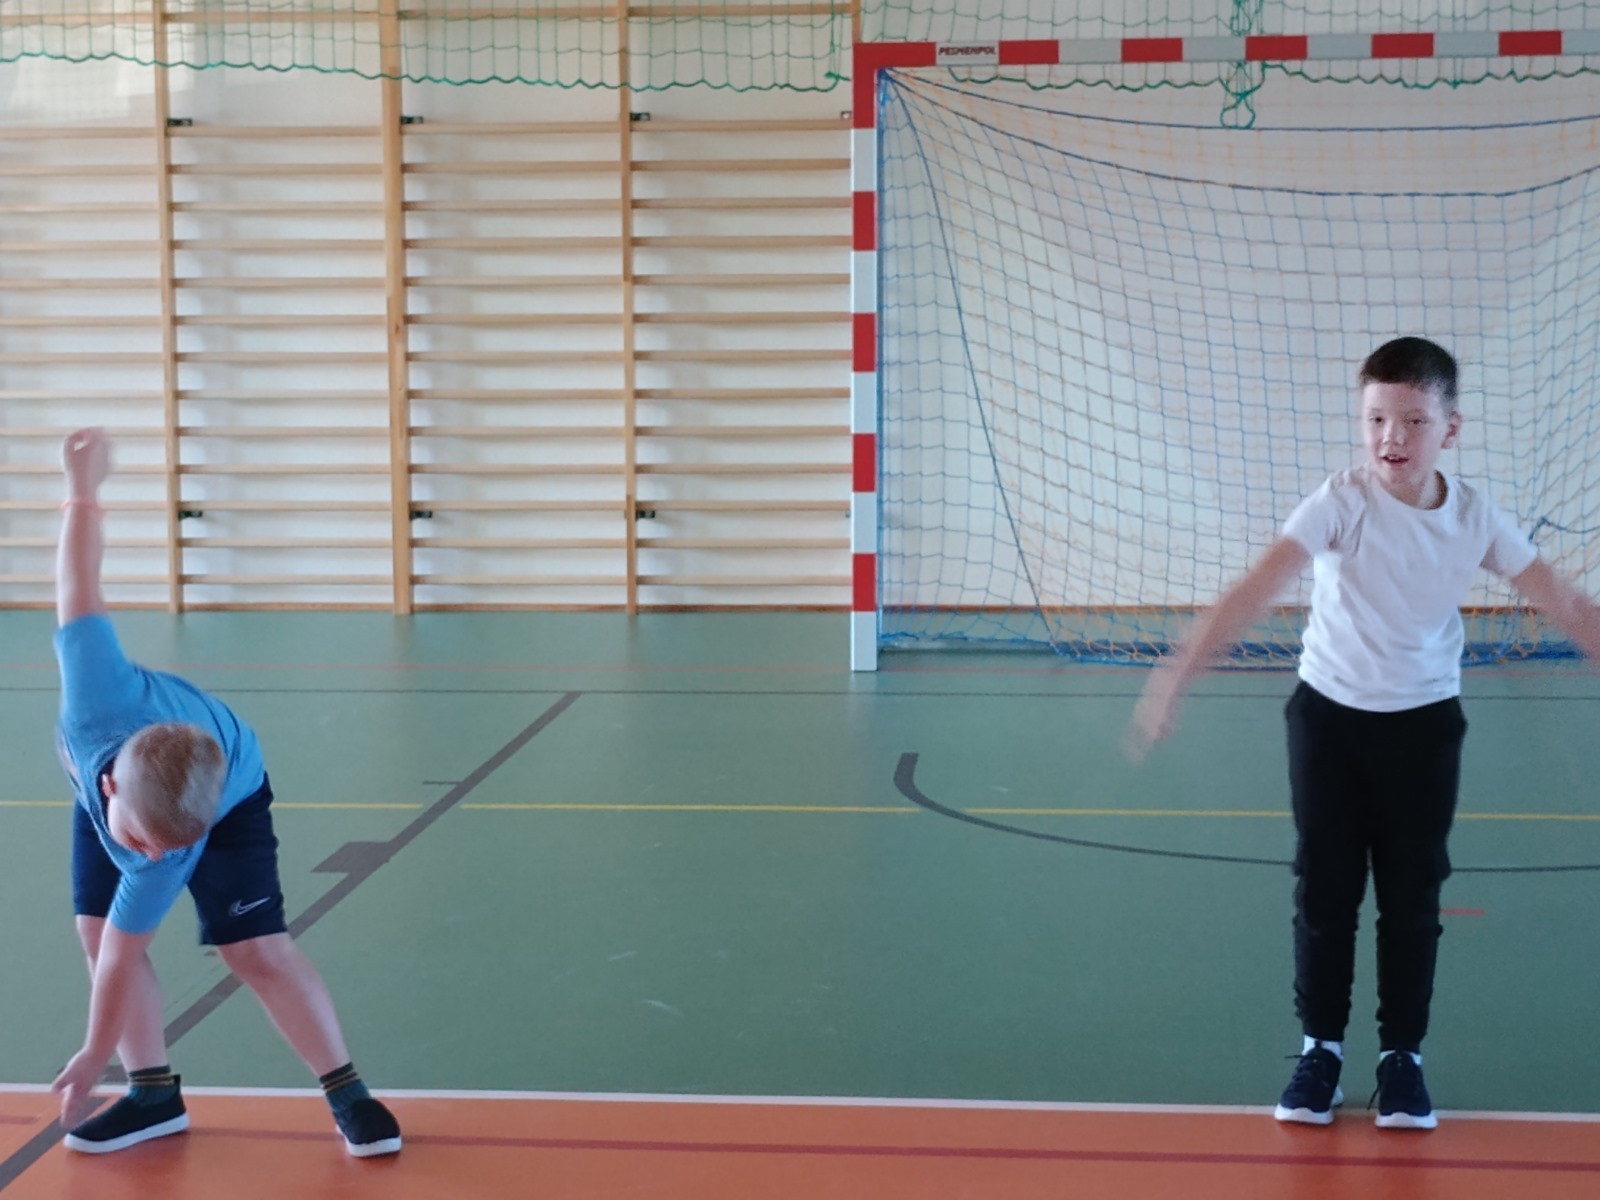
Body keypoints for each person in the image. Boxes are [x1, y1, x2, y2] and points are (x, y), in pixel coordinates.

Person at [1127, 337, 1600, 1129]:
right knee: (1327, 891)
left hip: (1423, 728)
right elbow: (1257, 585)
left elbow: (1565, 600)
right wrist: (1177, 670)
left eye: (1413, 420)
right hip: (1330, 723)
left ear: (1450, 428)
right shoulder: (1339, 502)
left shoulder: (1475, 517)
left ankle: (1401, 1059)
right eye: (1376, 418)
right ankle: (1320, 1051)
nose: (1391, 437)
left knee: (1412, 898)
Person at [49, 427, 402, 1157]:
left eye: (161, 848)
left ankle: (347, 1091)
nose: (148, 857)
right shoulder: (94, 688)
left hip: (226, 790)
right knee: (95, 930)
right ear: (110, 785)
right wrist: (83, 490)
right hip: (135, 790)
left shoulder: (164, 848)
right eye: (141, 841)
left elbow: (127, 943)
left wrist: (88, 1051)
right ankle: (152, 1095)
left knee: (253, 949)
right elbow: (77, 582)